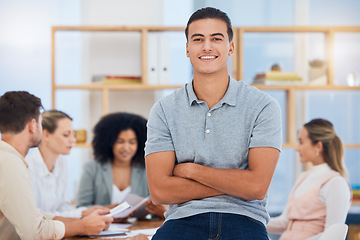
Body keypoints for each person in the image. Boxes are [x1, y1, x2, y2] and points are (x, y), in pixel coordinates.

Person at [145, 7, 282, 240]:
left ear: (230, 47)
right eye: (198, 40)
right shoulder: (164, 110)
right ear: (188, 49)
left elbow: (257, 187)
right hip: (183, 221)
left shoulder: (263, 106)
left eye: (216, 39)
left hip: (245, 219)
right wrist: (238, 184)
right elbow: (159, 192)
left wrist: (190, 170)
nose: (207, 46)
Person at [0, 91, 113, 239]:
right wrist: (81, 226)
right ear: (33, 125)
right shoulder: (10, 163)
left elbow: (34, 216)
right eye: (40, 122)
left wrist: (81, 219)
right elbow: (34, 231)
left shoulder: (8, 158)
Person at [267, 118, 351, 240]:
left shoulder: (336, 183)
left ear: (318, 146)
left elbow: (332, 236)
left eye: (301, 142)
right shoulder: (303, 177)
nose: (297, 148)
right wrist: (255, 221)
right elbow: (285, 222)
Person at [77, 112, 166, 219]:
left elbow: (155, 207)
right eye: (120, 141)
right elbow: (81, 207)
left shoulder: (146, 169)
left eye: (132, 142)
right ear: (109, 142)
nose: (126, 148)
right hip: (102, 229)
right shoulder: (92, 168)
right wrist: (105, 209)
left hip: (137, 231)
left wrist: (162, 212)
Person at [25, 109, 107, 218]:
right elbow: (34, 216)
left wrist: (88, 212)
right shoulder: (27, 167)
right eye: (66, 135)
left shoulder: (61, 162)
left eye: (73, 134)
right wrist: (81, 214)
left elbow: (63, 207)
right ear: (46, 135)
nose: (73, 140)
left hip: (55, 231)